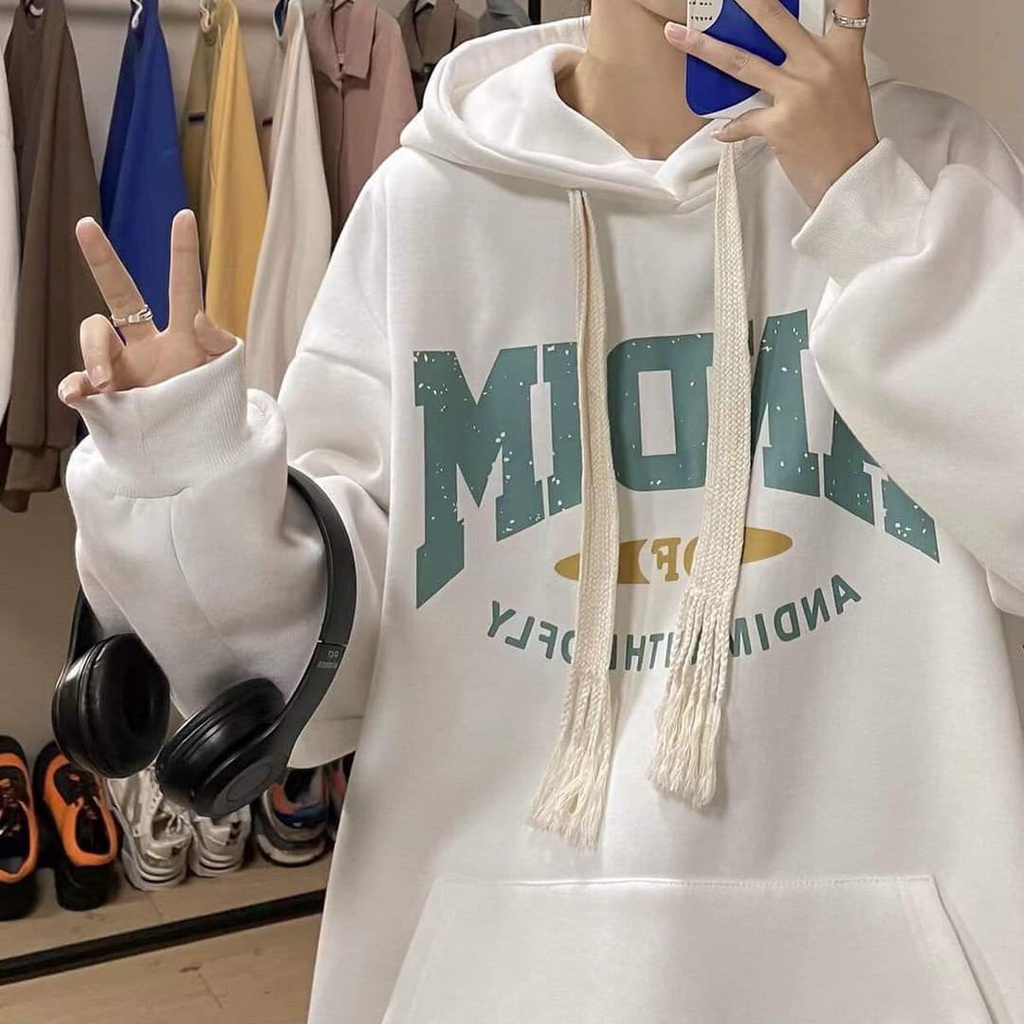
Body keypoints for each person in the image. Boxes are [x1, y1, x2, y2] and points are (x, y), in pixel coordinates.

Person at [59, 0, 1024, 1020]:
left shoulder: (934, 166)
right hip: (497, 976)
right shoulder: (425, 205)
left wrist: (868, 209)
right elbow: (310, 681)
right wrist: (186, 460)